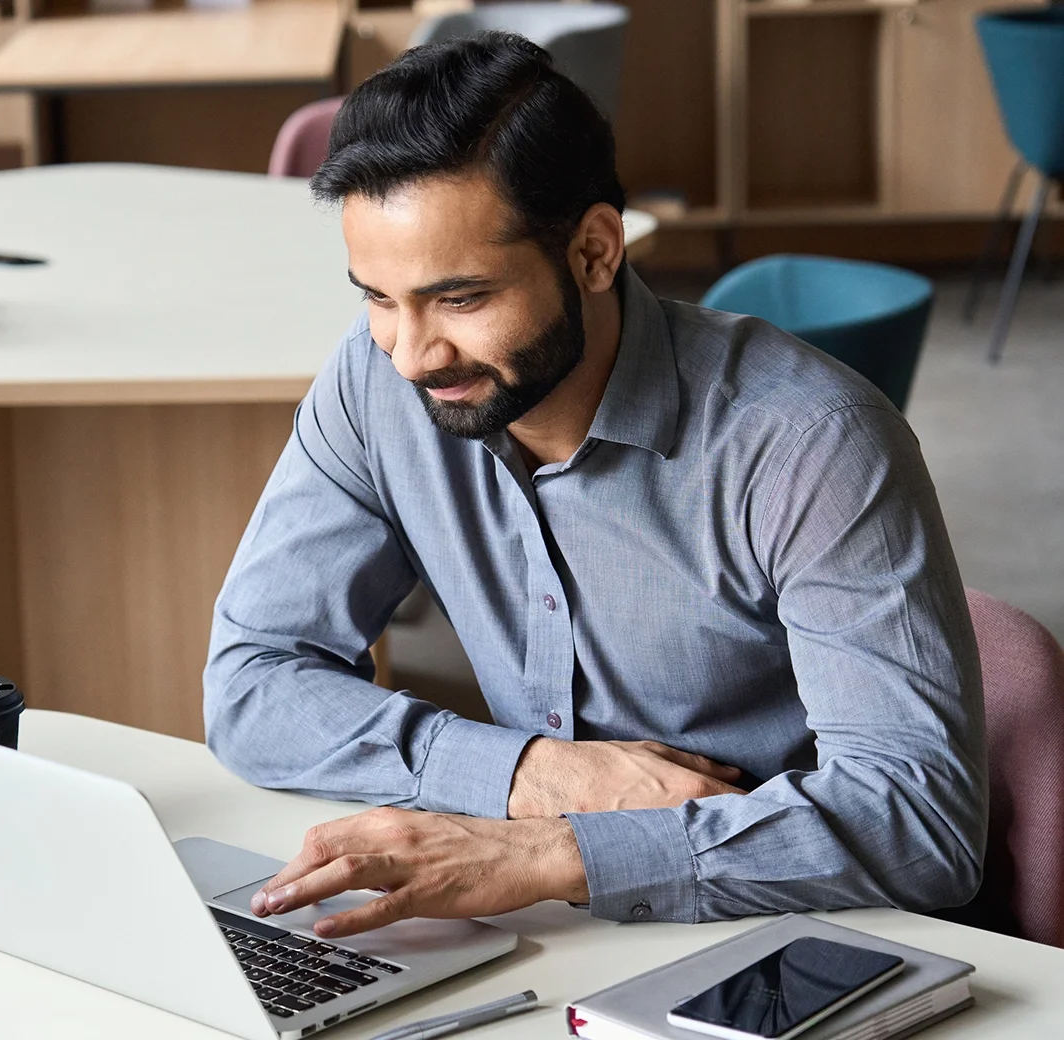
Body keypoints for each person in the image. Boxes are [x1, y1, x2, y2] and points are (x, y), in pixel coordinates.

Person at [203, 32, 987, 940]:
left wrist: (548, 853)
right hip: (556, 934)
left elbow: (920, 825)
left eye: (460, 299)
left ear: (594, 251)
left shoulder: (811, 442)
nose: (412, 355)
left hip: (794, 935)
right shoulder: (373, 380)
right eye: (378, 297)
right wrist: (533, 775)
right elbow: (251, 681)